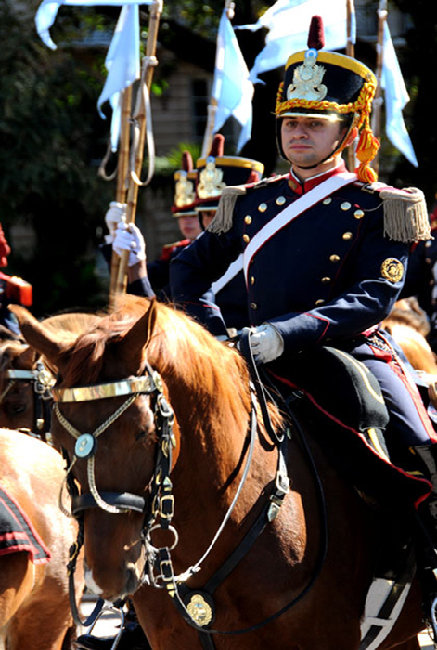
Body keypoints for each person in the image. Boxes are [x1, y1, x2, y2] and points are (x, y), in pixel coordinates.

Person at [170, 16, 437, 567]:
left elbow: (371, 298)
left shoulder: (381, 205)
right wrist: (218, 335)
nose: (299, 133)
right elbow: (187, 273)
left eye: (316, 123)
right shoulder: (248, 201)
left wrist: (281, 335)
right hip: (243, 352)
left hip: (342, 349)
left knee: (420, 444)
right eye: (291, 122)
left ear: (347, 131)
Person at [196, 134, 264, 332]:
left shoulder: (262, 256)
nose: (213, 222)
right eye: (207, 214)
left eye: (220, 213)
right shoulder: (192, 258)